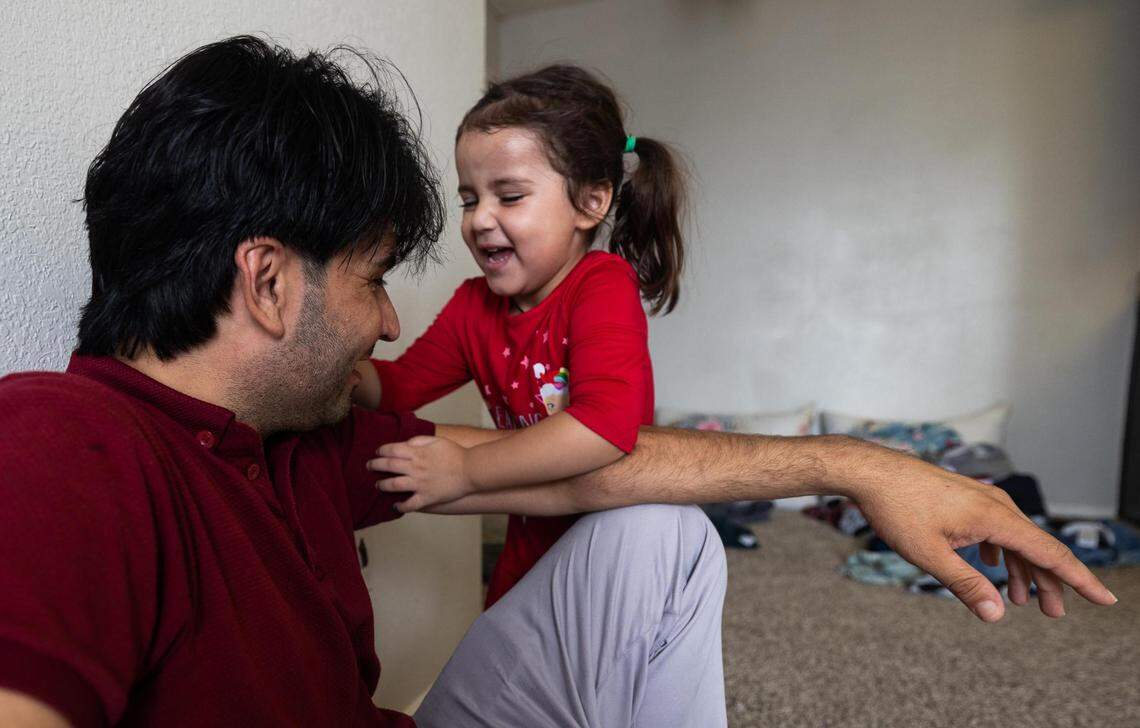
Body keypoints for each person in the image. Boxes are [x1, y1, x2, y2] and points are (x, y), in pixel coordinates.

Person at [0, 36, 1116, 728]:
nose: (389, 322)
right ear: (268, 282)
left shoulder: (300, 437)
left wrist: (866, 467)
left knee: (662, 534)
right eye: (375, 279)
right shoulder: (64, 449)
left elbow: (607, 459)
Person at [353, 63, 687, 607]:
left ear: (591, 202)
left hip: (614, 541)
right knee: (500, 647)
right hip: (531, 538)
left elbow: (605, 427)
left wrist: (466, 469)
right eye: (469, 199)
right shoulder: (473, 306)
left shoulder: (601, 285)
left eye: (508, 197)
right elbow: (398, 387)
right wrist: (335, 370)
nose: (480, 219)